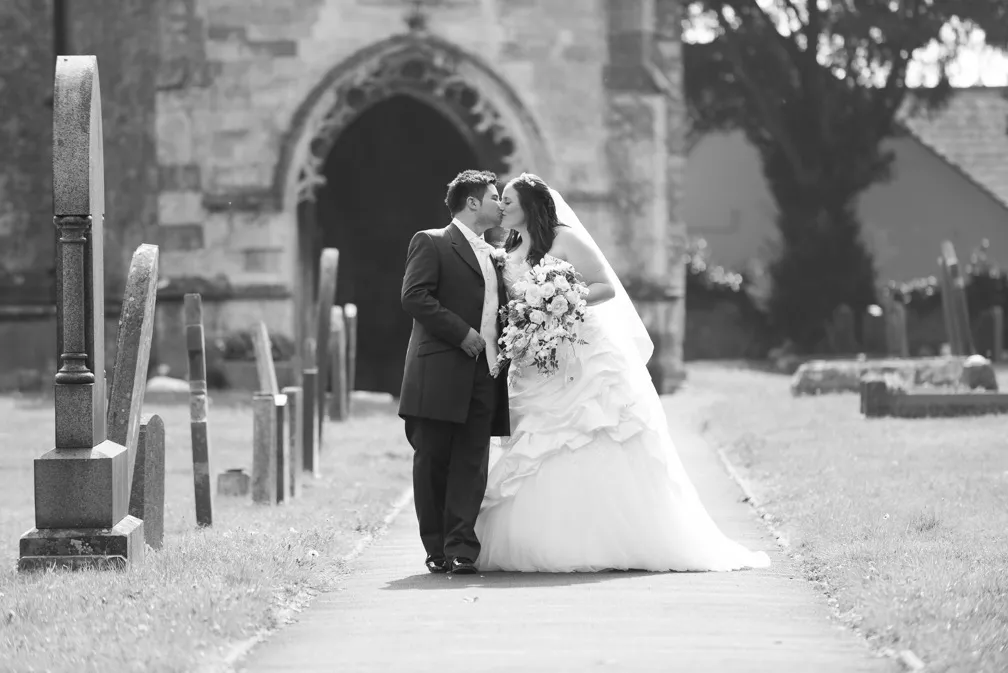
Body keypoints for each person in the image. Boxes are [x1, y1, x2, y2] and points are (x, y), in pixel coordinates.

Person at [474, 172, 771, 573]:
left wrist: (561, 298)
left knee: (591, 430)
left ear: (531, 204)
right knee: (537, 440)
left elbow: (604, 286)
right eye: (501, 201)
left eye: (508, 199)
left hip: (578, 354)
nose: (502, 206)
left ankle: (613, 536)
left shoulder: (565, 239)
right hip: (536, 361)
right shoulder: (506, 248)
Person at [398, 170, 511, 575]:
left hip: (486, 372)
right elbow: (414, 297)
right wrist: (461, 333)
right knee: (433, 461)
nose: (502, 204)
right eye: (495, 197)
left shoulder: (497, 253)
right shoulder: (430, 241)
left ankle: (462, 547)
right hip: (439, 371)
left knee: (472, 460)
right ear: (473, 202)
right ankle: (436, 548)